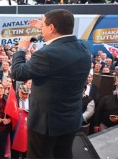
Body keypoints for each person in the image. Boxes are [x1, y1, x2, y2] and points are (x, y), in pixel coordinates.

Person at [12, 9, 91, 158]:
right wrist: (44, 27)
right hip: (71, 120)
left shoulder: (46, 53)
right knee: (63, 155)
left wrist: (21, 49)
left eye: (44, 26)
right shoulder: (84, 46)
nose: (41, 28)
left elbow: (18, 73)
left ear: (52, 28)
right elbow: (64, 41)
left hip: (45, 125)